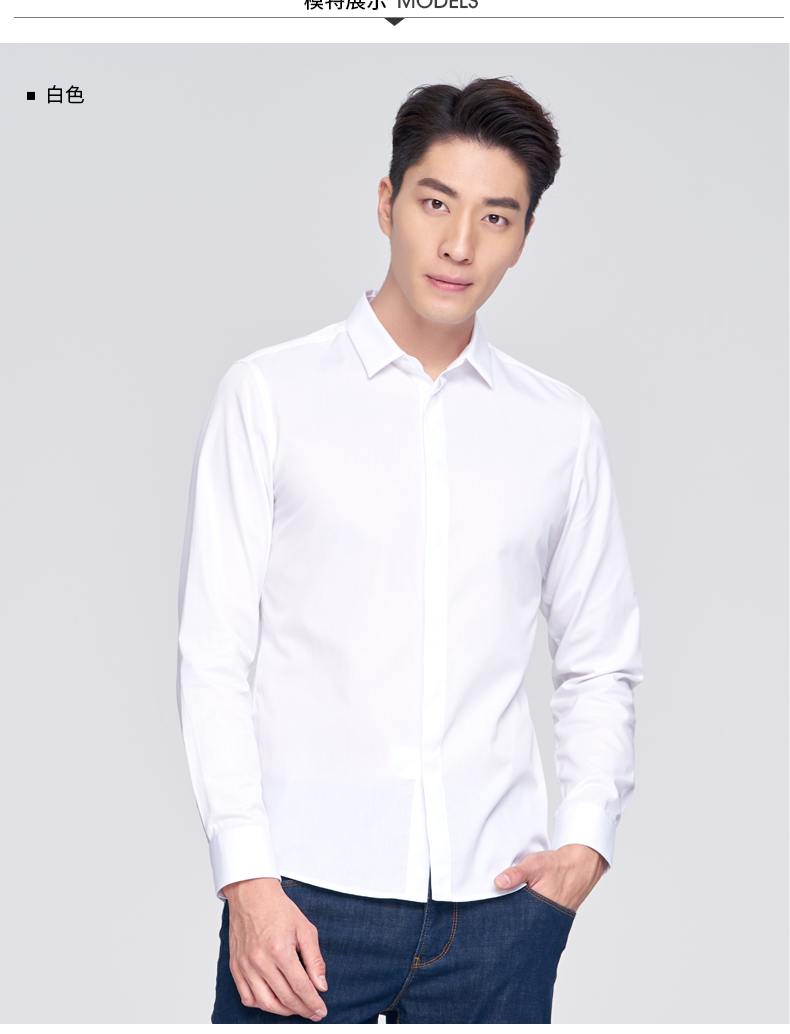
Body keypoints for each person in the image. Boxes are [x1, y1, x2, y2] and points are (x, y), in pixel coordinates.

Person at [177, 76, 644, 1024]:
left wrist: (585, 843)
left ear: (523, 238)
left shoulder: (559, 428)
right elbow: (213, 653)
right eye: (436, 203)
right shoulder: (269, 396)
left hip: (499, 912)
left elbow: (599, 660)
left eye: (496, 217)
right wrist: (246, 879)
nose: (460, 244)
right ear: (387, 203)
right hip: (299, 905)